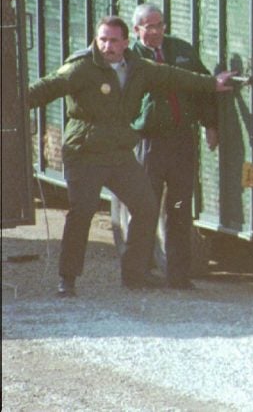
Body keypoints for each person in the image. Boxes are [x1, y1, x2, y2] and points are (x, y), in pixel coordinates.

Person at [27, 15, 235, 297]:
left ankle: (134, 275)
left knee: (147, 206)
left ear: (126, 42)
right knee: (81, 214)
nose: (107, 46)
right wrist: (14, 103)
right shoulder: (81, 67)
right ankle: (68, 279)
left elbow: (175, 77)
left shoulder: (139, 68)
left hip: (118, 153)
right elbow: (46, 87)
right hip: (85, 152)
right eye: (102, 39)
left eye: (113, 40)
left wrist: (213, 84)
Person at [129, 3, 218, 290]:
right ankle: (137, 273)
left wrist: (210, 124)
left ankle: (179, 276)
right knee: (145, 207)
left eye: (159, 25)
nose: (155, 31)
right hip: (149, 141)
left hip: (182, 139)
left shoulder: (181, 50)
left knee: (180, 207)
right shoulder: (130, 58)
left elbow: (203, 87)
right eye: (148, 26)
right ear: (136, 29)